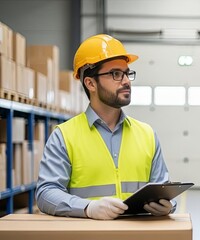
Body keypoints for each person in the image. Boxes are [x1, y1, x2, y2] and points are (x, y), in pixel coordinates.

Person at [35, 34, 174, 220]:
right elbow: (46, 193)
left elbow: (163, 188)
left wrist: (168, 205)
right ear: (90, 83)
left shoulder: (147, 134)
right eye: (116, 74)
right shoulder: (64, 136)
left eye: (127, 73)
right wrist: (88, 208)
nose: (126, 81)